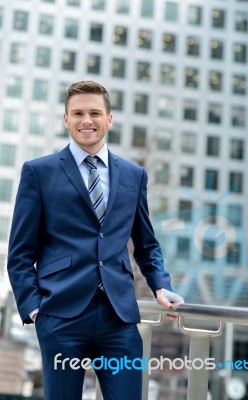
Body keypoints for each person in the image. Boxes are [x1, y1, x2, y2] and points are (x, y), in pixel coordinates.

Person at [7, 80, 183, 400]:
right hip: (60, 316)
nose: (86, 120)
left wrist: (160, 285)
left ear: (109, 119)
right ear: (66, 119)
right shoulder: (38, 172)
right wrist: (35, 310)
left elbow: (146, 244)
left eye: (94, 113)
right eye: (77, 113)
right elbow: (19, 253)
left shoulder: (134, 175)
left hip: (119, 319)